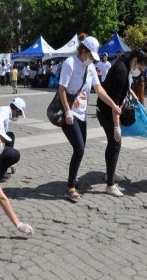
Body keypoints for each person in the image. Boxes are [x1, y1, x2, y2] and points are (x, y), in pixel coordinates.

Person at [58, 34, 121, 200]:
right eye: (90, 56)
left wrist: (113, 105)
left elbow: (99, 90)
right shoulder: (70, 63)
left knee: (80, 150)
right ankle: (71, 187)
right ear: (83, 51)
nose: (92, 59)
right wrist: (67, 111)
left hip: (82, 114)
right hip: (70, 114)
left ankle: (73, 180)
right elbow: (62, 90)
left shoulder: (91, 67)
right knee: (79, 149)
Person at [97, 48, 147, 197]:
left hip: (105, 110)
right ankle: (110, 185)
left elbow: (121, 96)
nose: (139, 71)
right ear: (135, 61)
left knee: (112, 144)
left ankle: (109, 175)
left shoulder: (122, 65)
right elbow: (115, 101)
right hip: (106, 112)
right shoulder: (122, 70)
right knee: (115, 144)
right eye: (139, 68)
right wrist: (117, 127)